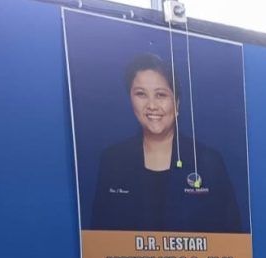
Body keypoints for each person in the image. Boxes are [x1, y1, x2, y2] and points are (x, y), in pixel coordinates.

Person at [89, 53, 243, 233]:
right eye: (141, 94)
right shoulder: (113, 160)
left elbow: (232, 238)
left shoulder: (208, 161)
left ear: (176, 103)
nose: (152, 105)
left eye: (160, 95)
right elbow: (100, 238)